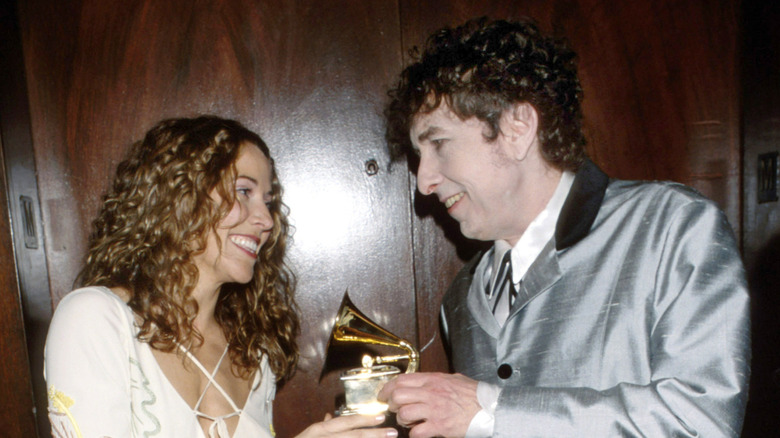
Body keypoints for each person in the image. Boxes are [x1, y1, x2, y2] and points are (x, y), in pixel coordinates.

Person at [377, 17, 750, 437]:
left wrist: (492, 414)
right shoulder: (459, 299)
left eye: (439, 144)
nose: (424, 181)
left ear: (518, 128)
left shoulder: (671, 227)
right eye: (418, 154)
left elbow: (701, 422)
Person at [44, 116, 397, 438]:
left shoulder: (254, 353)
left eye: (268, 200)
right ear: (180, 196)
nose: (266, 220)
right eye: (244, 191)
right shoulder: (94, 318)